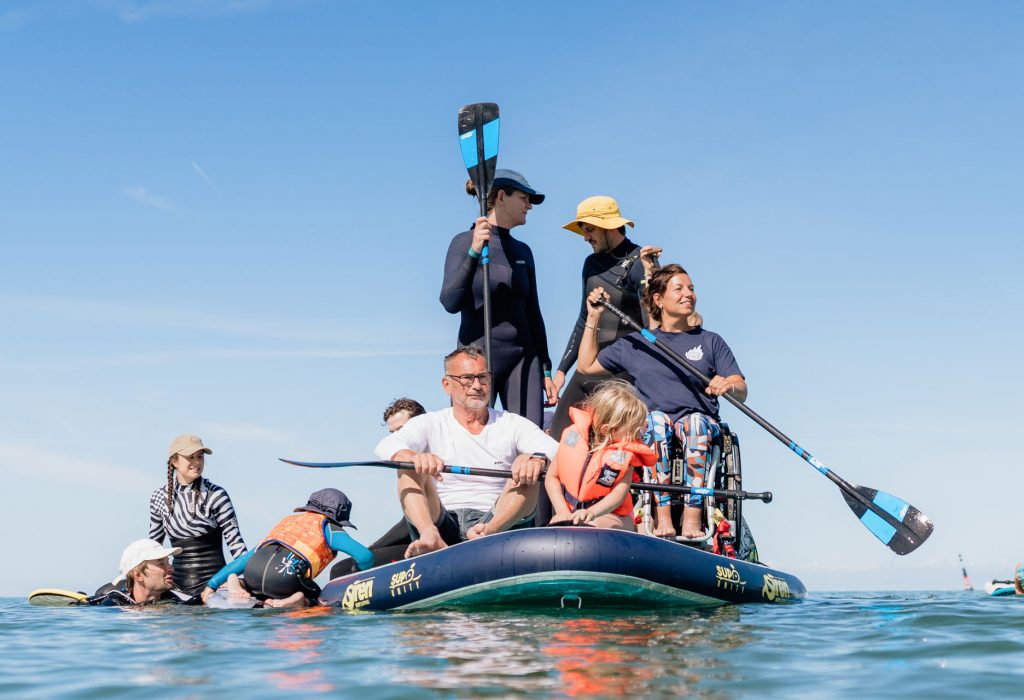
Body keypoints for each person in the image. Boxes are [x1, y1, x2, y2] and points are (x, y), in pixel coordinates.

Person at [577, 264, 747, 539]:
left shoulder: (710, 341)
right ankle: (662, 515)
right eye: (678, 289)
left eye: (691, 288)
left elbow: (741, 387)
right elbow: (586, 365)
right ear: (658, 299)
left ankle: (692, 517)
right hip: (653, 426)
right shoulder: (639, 342)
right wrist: (593, 317)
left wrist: (727, 384)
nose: (688, 294)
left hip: (699, 423)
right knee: (655, 422)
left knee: (694, 424)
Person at [375, 345, 558, 557]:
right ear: (447, 385)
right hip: (442, 520)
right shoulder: (431, 422)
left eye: (483, 377)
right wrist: (415, 457)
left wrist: (535, 460)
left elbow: (554, 449)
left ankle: (486, 534)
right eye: (467, 378)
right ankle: (429, 535)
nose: (477, 386)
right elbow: (384, 447)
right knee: (406, 466)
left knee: (527, 463)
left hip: (495, 521)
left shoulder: (511, 423)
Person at [440, 169, 557, 427]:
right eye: (524, 198)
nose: (529, 206)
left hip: (523, 361)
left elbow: (534, 313)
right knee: (472, 440)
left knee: (530, 444)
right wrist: (473, 252)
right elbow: (449, 302)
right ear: (502, 196)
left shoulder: (523, 251)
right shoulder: (463, 242)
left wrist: (546, 369)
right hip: (476, 362)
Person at [548, 196, 663, 439]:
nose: (585, 237)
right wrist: (561, 371)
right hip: (591, 363)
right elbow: (583, 318)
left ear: (609, 227)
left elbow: (654, 325)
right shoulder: (590, 263)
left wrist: (651, 277)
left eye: (589, 229)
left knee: (604, 442)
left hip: (624, 369)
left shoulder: (639, 262)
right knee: (558, 437)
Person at [203, 488, 373, 608]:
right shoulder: (328, 527)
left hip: (253, 572)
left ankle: (236, 582)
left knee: (252, 584)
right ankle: (295, 600)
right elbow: (365, 557)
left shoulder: (287, 522)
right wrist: (358, 573)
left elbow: (245, 558)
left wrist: (212, 584)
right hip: (285, 579)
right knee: (317, 596)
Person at [329, 398, 427, 579]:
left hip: (438, 539)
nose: (396, 437)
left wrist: (370, 551)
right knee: (341, 569)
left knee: (340, 571)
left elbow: (408, 526)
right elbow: (408, 525)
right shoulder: (408, 463)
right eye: (393, 432)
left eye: (401, 430)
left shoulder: (432, 460)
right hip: (418, 539)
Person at [546, 380, 657, 530]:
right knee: (558, 524)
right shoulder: (572, 438)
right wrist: (562, 511)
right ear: (608, 430)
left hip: (613, 516)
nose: (638, 435)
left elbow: (619, 495)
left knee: (591, 525)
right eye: (633, 429)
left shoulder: (625, 455)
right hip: (571, 512)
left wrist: (591, 512)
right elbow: (551, 477)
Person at [148, 434, 247, 595]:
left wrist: (246, 580)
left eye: (200, 457)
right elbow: (153, 549)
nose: (197, 462)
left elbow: (237, 546)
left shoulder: (215, 495)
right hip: (177, 587)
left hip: (214, 586)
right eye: (190, 457)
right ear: (174, 461)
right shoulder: (159, 498)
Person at [84, 539, 201, 606]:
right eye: (161, 564)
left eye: (168, 562)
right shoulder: (114, 605)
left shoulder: (174, 600)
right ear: (138, 575)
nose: (171, 568)